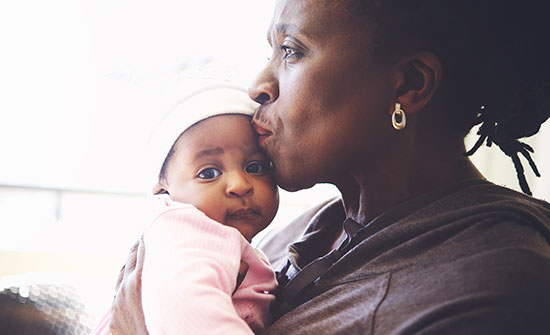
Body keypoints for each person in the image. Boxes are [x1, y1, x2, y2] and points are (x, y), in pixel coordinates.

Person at [110, 1, 550, 334]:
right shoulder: (302, 230)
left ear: (409, 85)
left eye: (291, 51)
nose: (259, 86)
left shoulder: (492, 289)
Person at [94, 84, 279, 335]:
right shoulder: (182, 233)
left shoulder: (221, 244)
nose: (239, 185)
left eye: (255, 167)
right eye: (209, 173)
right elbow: (188, 310)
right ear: (164, 187)